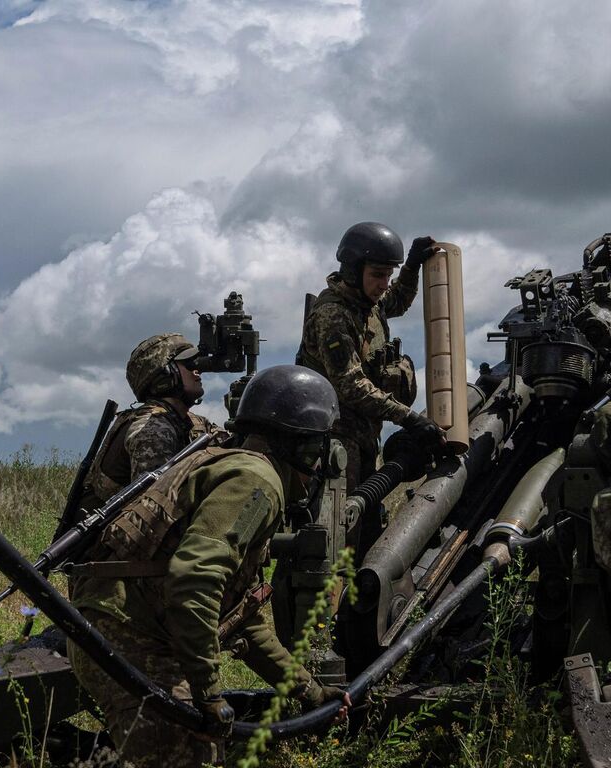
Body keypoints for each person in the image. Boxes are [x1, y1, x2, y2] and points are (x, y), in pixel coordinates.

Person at [67, 365, 349, 767]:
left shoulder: (230, 465)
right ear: (301, 445)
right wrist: (208, 692)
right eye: (315, 450)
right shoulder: (258, 483)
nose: (319, 466)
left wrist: (310, 693)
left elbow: (239, 618)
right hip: (134, 638)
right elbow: (195, 580)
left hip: (113, 628)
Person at [295, 221, 444, 492]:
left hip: (362, 434)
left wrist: (411, 266)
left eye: (388, 275)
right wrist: (408, 418)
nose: (384, 285)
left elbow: (397, 300)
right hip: (334, 438)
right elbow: (351, 386)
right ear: (353, 270)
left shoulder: (367, 305)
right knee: (347, 523)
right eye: (378, 275)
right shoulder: (333, 315)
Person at [75, 333, 214, 512]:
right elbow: (152, 510)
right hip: (118, 536)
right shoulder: (152, 429)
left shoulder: (189, 422)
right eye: (189, 364)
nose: (198, 370)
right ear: (164, 375)